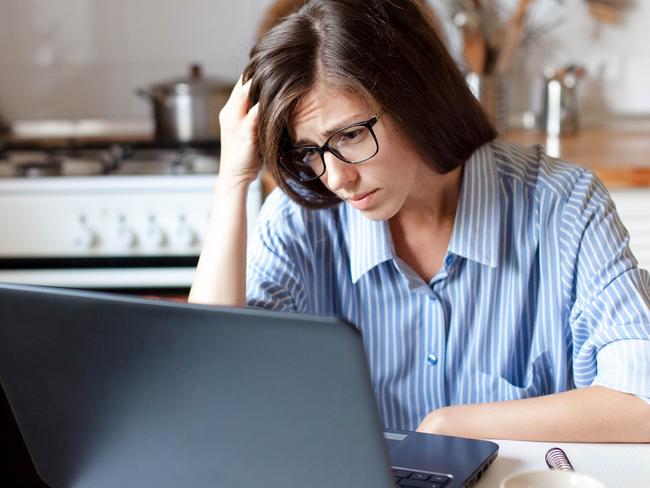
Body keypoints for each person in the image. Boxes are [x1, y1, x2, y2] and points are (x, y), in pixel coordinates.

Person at [189, 0, 650, 441]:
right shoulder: (301, 222)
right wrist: (233, 180)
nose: (336, 178)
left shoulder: (563, 205)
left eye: (349, 135)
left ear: (416, 97)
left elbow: (641, 401)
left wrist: (453, 426)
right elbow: (209, 391)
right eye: (310, 151)